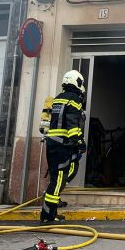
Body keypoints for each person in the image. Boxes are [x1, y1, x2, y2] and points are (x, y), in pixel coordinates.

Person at [40, 69, 86, 224]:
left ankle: (51, 210)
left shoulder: (58, 98)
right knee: (58, 180)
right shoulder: (74, 99)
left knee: (64, 174)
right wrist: (78, 142)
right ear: (77, 82)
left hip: (54, 143)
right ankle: (48, 217)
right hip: (63, 144)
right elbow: (72, 122)